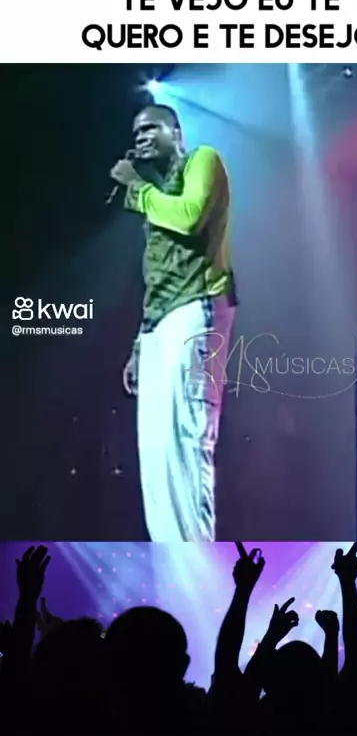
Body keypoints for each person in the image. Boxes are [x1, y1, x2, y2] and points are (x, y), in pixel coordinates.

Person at [110, 103, 237, 542]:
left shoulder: (203, 160)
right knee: (156, 452)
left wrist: (137, 189)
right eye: (136, 132)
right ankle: (168, 557)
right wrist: (141, 343)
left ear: (176, 132)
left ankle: (198, 558)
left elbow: (190, 215)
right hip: (160, 323)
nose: (142, 137)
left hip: (198, 305)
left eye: (151, 128)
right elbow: (159, 277)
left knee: (187, 438)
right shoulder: (156, 196)